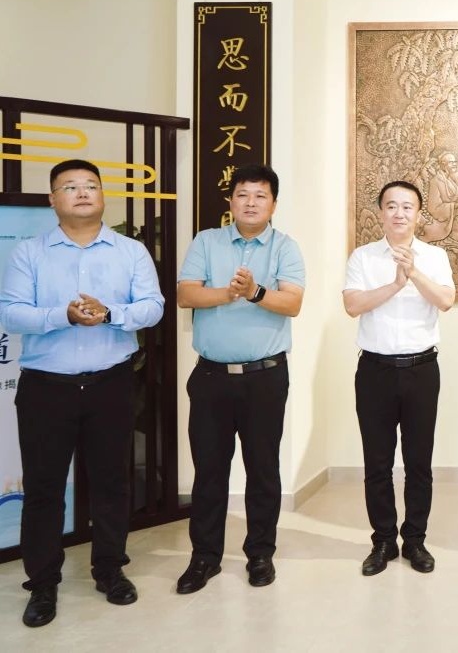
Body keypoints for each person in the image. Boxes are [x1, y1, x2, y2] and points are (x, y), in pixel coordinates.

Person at [0, 159, 164, 628]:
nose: (83, 192)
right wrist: (63, 316)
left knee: (111, 482)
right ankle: (42, 583)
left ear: (103, 196)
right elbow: (11, 312)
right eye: (70, 186)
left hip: (111, 383)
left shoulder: (130, 251)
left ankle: (109, 570)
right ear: (53, 200)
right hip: (46, 388)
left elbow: (153, 307)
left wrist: (110, 313)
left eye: (91, 185)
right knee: (44, 488)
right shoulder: (30, 253)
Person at [174, 164, 305, 594]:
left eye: (260, 195)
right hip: (211, 377)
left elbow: (292, 303)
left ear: (274, 204)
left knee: (263, 469)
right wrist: (228, 293)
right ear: (230, 200)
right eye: (243, 194)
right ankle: (204, 557)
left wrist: (255, 292)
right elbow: (186, 294)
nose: (251, 202)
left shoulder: (285, 247)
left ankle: (260, 554)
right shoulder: (206, 242)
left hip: (265, 377)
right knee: (209, 470)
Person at [343, 180, 455, 575]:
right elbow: (352, 305)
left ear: (419, 215)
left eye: (407, 207)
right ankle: (384, 541)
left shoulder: (435, 256)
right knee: (377, 462)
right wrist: (394, 284)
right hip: (374, 371)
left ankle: (416, 541)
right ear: (381, 213)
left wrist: (413, 273)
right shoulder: (363, 257)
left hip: (421, 370)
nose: (399, 213)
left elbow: (446, 300)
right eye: (391, 206)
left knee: (418, 462)